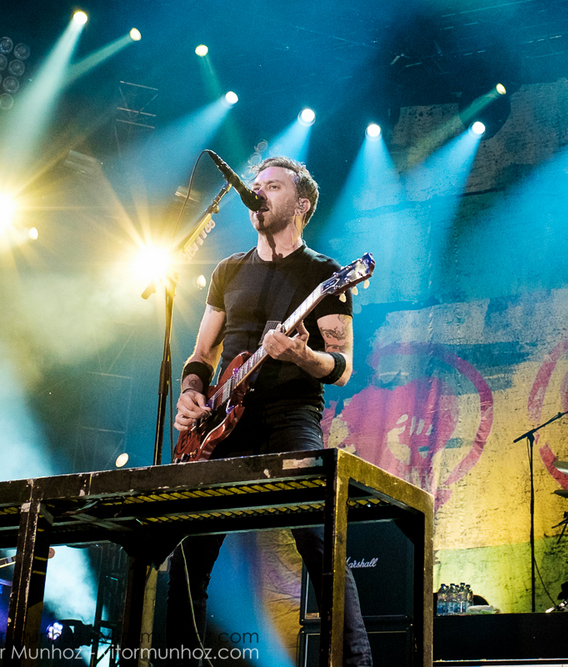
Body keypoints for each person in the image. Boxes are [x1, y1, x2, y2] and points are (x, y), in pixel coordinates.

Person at [169, 156, 371, 666]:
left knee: (319, 538)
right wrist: (192, 392)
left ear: (301, 205)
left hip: (289, 413)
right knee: (189, 550)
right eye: (256, 185)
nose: (257, 193)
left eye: (272, 187)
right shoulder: (228, 270)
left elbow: (342, 367)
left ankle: (356, 660)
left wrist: (301, 355)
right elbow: (202, 352)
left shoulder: (325, 274)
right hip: (219, 422)